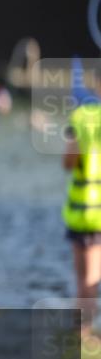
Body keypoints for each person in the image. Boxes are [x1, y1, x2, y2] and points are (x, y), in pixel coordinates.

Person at [63, 99, 101, 340]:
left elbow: (68, 161)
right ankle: (84, 338)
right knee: (90, 282)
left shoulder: (81, 118)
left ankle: (82, 337)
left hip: (84, 214)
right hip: (89, 215)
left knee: (85, 282)